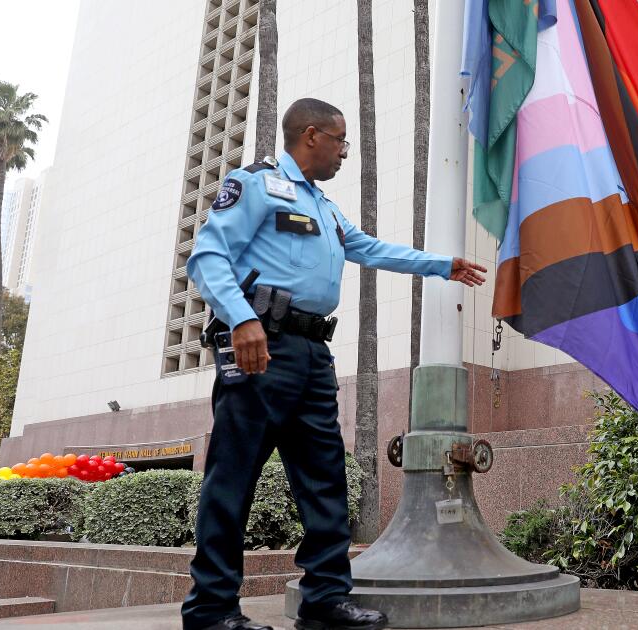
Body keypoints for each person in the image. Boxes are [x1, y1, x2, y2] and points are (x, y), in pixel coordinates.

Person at [182, 97, 487, 630]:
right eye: (340, 140)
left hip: (311, 354)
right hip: (260, 346)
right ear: (311, 136)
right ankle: (211, 611)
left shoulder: (323, 207)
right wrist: (240, 320)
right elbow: (207, 257)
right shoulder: (255, 185)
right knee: (233, 479)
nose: (345, 151)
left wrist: (441, 265)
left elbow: (366, 248)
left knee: (324, 477)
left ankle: (324, 598)